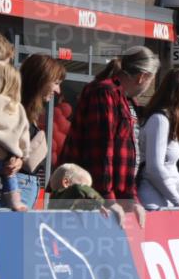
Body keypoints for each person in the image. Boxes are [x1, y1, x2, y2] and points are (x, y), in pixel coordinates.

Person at [60, 45, 159, 214]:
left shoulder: (127, 101)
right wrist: (108, 198)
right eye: (151, 80)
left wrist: (131, 199)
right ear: (143, 77)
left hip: (109, 199)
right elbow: (101, 149)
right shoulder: (105, 93)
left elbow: (129, 156)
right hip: (88, 199)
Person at [137, 67, 179, 222]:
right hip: (152, 204)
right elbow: (153, 168)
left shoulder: (168, 120)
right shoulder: (159, 120)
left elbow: (170, 168)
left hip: (163, 202)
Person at [18, 54, 65, 208]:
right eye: (56, 83)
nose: (58, 90)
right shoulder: (15, 111)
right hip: (15, 192)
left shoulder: (28, 114)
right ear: (41, 80)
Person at [0, 61, 30, 211]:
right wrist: (22, 156)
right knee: (10, 176)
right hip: (7, 162)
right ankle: (15, 201)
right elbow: (24, 139)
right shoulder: (17, 107)